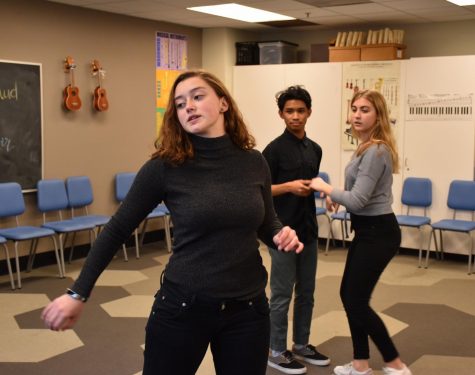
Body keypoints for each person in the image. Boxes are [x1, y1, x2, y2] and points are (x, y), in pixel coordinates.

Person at [41, 70, 304, 375]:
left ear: (223, 103)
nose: (188, 106)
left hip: (248, 310)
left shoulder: (253, 162)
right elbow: (116, 230)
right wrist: (78, 293)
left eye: (197, 96)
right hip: (184, 307)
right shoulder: (165, 167)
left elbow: (266, 220)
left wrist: (279, 234)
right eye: (179, 104)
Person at [310, 90, 412, 375]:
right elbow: (355, 195)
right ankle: (360, 364)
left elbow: (357, 200)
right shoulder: (365, 147)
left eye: (365, 109)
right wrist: (336, 196)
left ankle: (395, 364)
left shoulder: (376, 150)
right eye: (354, 108)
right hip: (368, 231)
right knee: (350, 296)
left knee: (355, 300)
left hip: (379, 233)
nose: (357, 114)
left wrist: (325, 187)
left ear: (378, 115)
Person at [262, 85, 330, 374]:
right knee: (280, 294)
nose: (295, 116)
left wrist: (326, 192)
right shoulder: (273, 150)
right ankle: (276, 350)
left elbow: (314, 182)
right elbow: (261, 191)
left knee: (308, 292)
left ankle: (301, 344)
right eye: (289, 111)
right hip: (283, 233)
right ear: (281, 114)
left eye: (300, 111)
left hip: (309, 230)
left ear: (309, 113)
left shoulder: (315, 149)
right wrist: (289, 186)